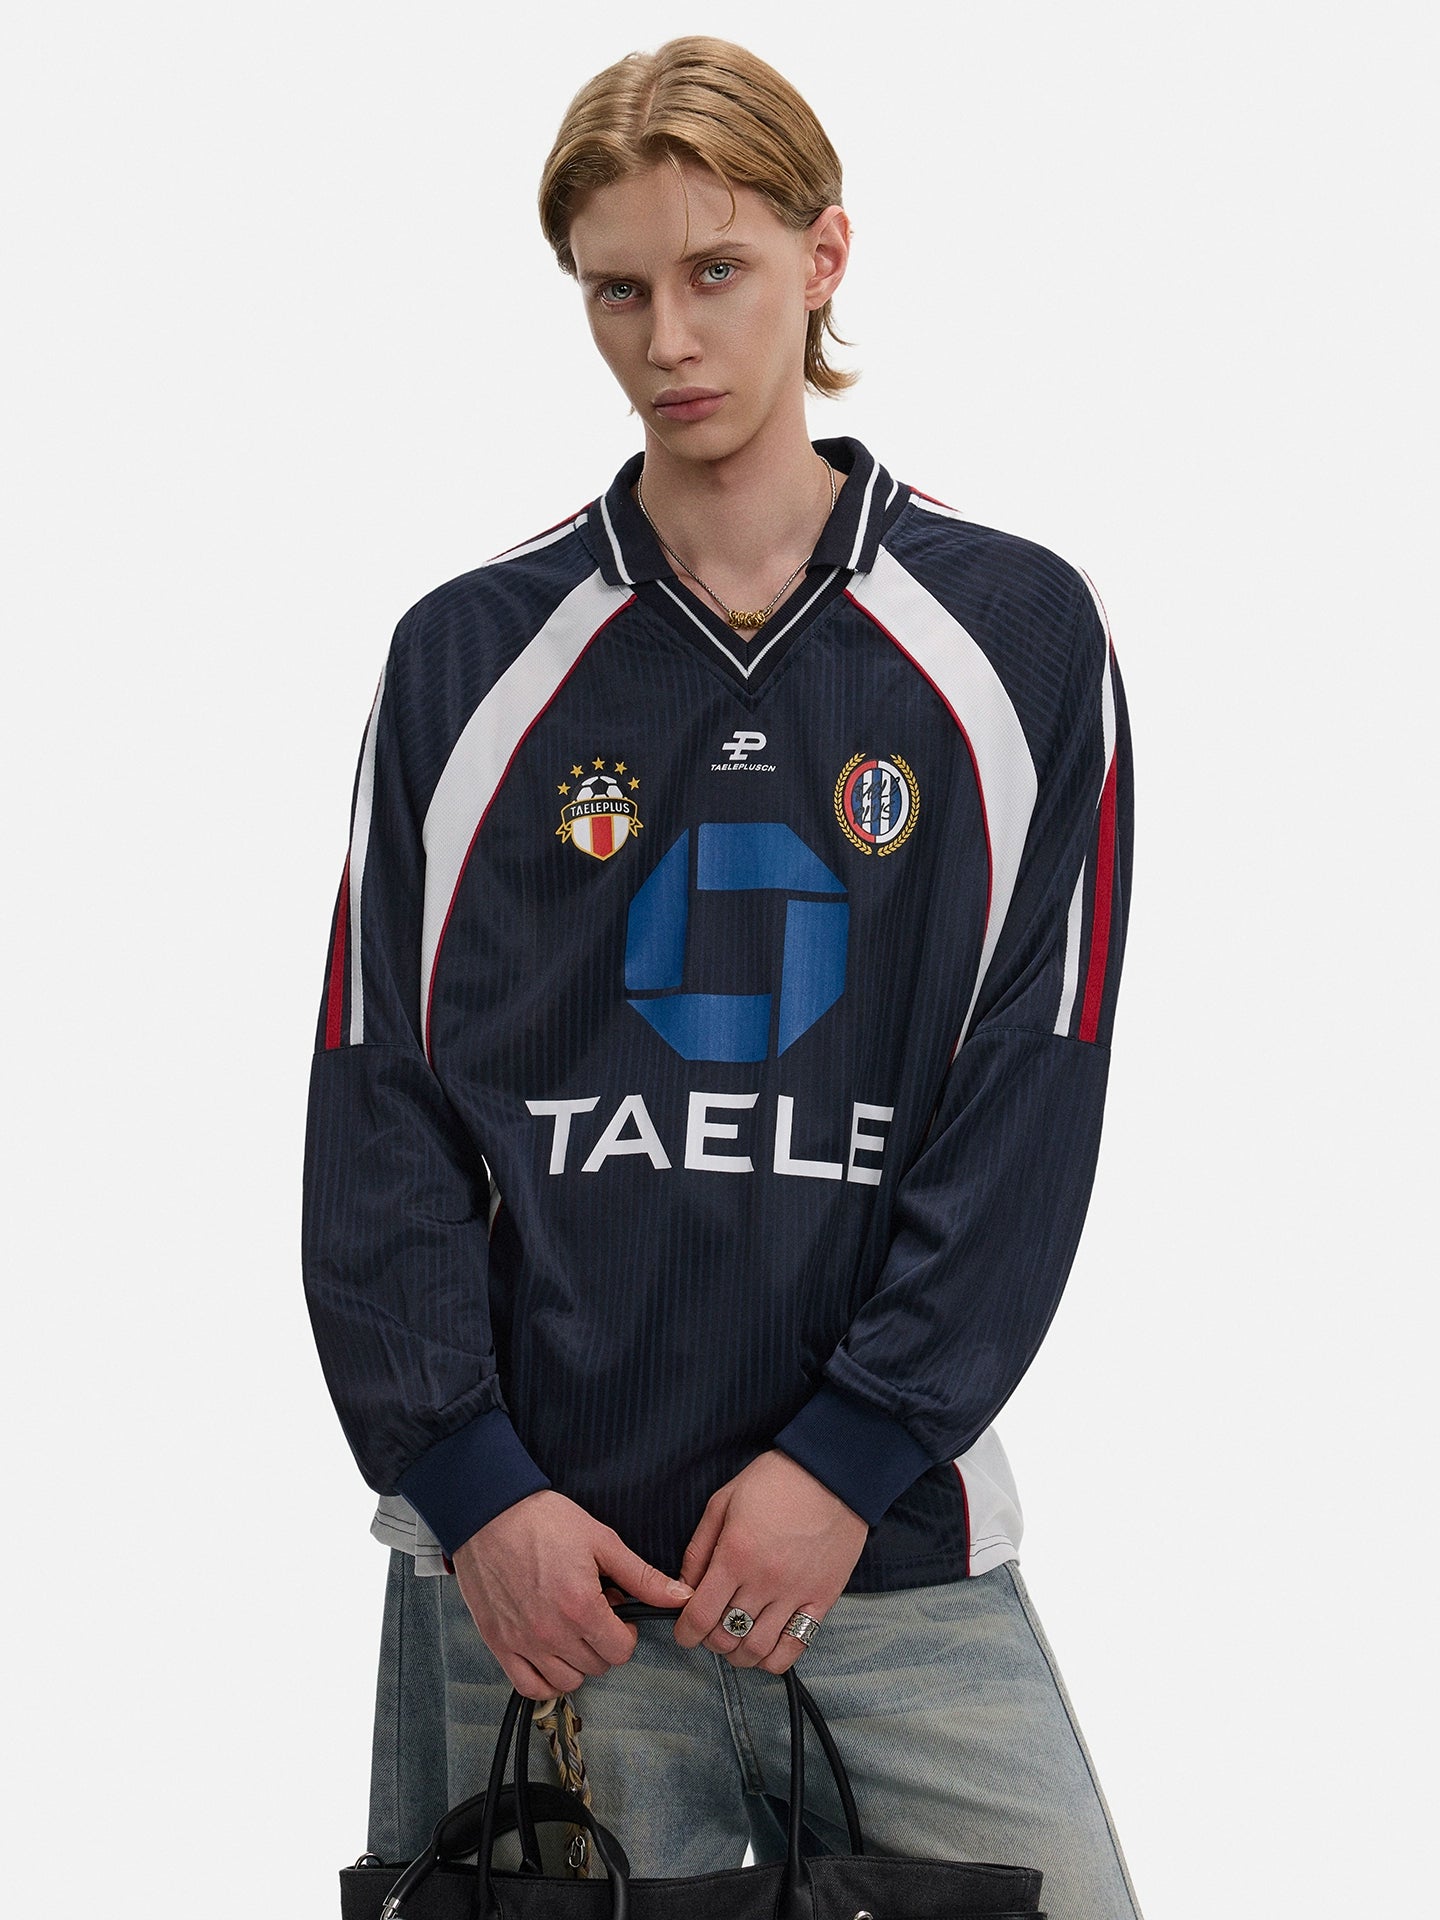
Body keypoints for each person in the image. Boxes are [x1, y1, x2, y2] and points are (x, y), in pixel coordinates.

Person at [302, 33, 1142, 1919]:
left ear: (825, 255)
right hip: (544, 1577)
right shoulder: (466, 657)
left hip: (886, 1548)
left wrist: (846, 1456)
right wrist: (472, 1486)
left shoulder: (1015, 634)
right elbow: (377, 1100)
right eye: (618, 290)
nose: (668, 339)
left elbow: (1036, 1083)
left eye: (716, 271)